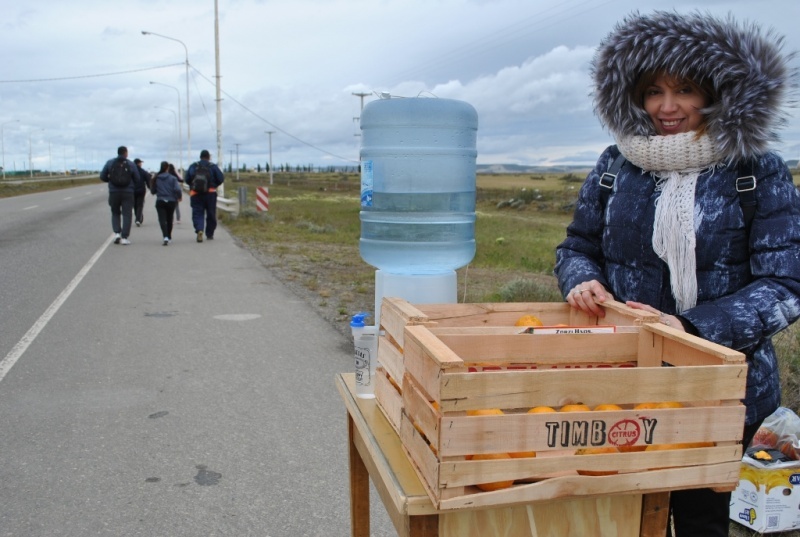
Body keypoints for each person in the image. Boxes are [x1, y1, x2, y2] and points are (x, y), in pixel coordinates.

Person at [554, 11, 800, 536]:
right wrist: (579, 277)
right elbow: (577, 245)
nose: (667, 107)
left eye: (685, 89)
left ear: (718, 93)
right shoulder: (615, 165)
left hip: (723, 389)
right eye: (652, 92)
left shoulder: (757, 170)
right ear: (632, 97)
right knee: (619, 516)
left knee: (701, 522)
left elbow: (785, 285)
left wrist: (689, 330)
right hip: (623, 383)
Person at [100, 146, 141, 245]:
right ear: (126, 153)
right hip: (127, 192)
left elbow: (102, 176)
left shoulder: (110, 163)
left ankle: (117, 233)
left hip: (114, 192)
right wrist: (131, 186)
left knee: (115, 213)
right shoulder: (131, 164)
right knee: (127, 214)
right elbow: (137, 178)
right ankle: (124, 237)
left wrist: (110, 181)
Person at [184, 149, 224, 243]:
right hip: (210, 194)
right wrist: (214, 186)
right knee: (211, 214)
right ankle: (209, 234)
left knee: (198, 213)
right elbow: (221, 178)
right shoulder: (213, 167)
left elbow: (187, 179)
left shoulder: (193, 166)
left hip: (196, 194)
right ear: (209, 157)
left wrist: (193, 186)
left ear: (200, 157)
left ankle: (199, 230)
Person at [150, 161, 183, 245]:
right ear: (167, 168)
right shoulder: (173, 178)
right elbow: (178, 189)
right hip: (171, 201)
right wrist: (179, 197)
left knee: (162, 219)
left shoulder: (156, 178)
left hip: (160, 200)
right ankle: (169, 236)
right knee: (169, 219)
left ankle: (165, 236)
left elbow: (153, 191)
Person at [133, 158, 151, 227]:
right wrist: (150, 188)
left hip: (133, 190)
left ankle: (138, 217)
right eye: (140, 163)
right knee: (140, 205)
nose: (141, 164)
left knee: (135, 205)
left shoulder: (131, 171)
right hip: (141, 190)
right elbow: (147, 180)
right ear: (138, 163)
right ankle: (138, 219)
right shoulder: (143, 171)